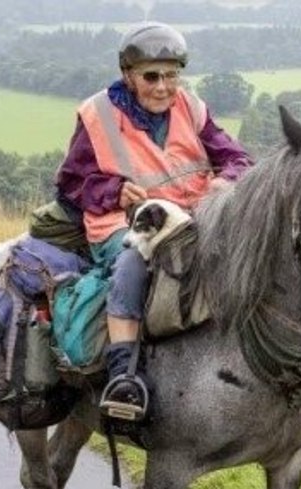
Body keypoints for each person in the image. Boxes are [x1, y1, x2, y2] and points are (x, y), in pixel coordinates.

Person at [54, 22, 253, 423]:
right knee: (133, 262)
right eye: (151, 76)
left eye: (171, 75)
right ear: (128, 75)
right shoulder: (99, 116)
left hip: (190, 219)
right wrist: (113, 192)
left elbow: (238, 159)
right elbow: (70, 185)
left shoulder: (192, 108)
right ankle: (122, 375)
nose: (163, 86)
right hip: (123, 224)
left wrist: (223, 181)